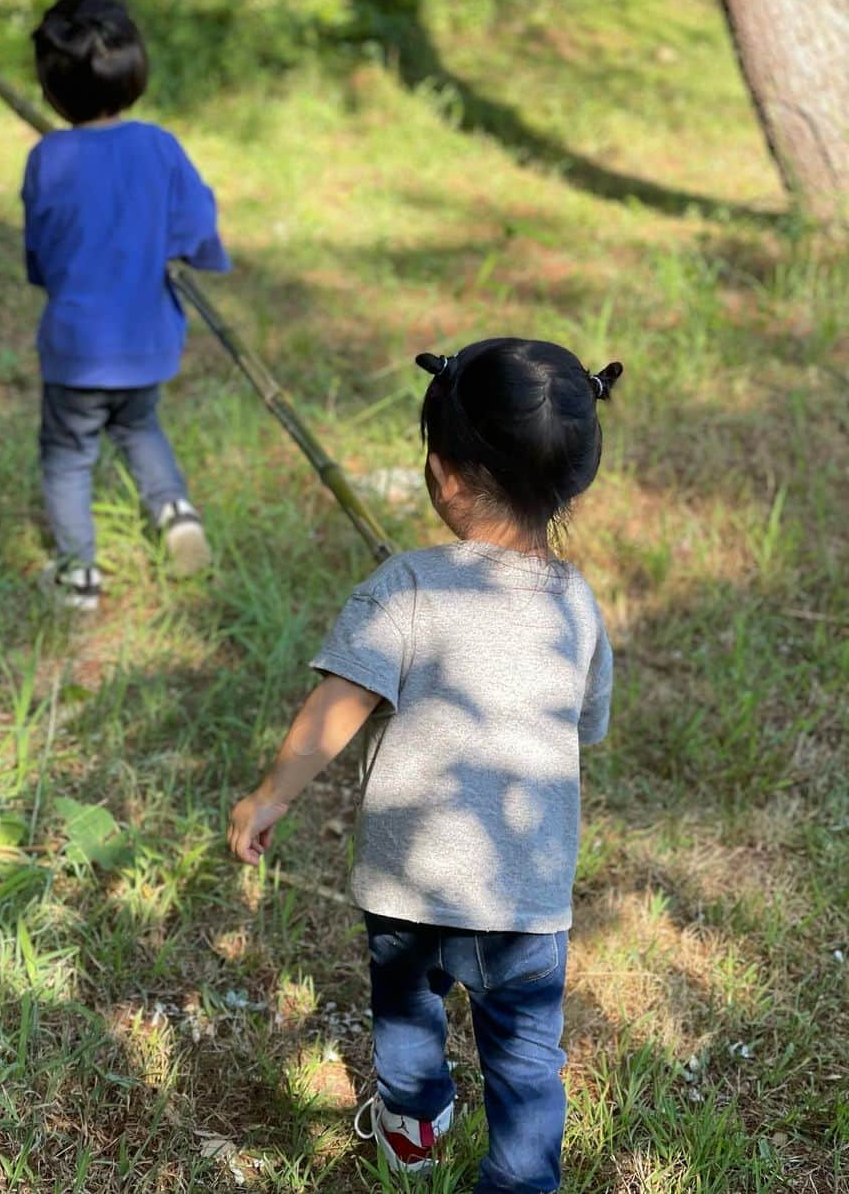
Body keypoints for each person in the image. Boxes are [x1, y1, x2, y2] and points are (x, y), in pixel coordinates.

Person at [228, 338, 623, 1192]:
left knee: (406, 1014)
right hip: (525, 892)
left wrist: (270, 796)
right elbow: (585, 724)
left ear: (442, 473)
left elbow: (335, 707)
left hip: (407, 881)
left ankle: (411, 1129)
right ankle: (521, 1178)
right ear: (571, 480)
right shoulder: (579, 605)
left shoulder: (406, 585)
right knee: (525, 1054)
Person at [22, 0, 230, 610]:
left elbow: (43, 252)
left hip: (79, 346)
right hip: (148, 340)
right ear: (134, 74)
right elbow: (195, 225)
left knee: (67, 455)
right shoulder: (159, 147)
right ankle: (175, 510)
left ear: (52, 89)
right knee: (138, 424)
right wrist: (184, 249)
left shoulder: (47, 157)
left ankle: (79, 575)